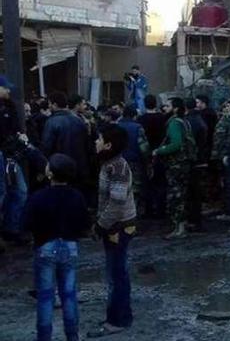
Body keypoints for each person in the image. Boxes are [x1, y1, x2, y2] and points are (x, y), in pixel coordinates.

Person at [22, 154, 90, 341]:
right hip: (70, 246)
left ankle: (44, 337)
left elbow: (26, 223)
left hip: (44, 246)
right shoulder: (77, 196)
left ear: (50, 174)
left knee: (45, 297)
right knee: (69, 295)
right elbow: (84, 223)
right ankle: (72, 336)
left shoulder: (38, 197)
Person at [91, 124, 136, 337]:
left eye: (99, 139)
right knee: (117, 274)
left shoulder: (117, 167)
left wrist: (101, 225)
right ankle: (119, 316)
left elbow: (116, 203)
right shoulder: (109, 163)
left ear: (108, 144)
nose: (95, 142)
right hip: (115, 225)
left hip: (118, 227)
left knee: (117, 275)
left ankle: (118, 320)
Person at [154, 98, 195, 238]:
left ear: (175, 108)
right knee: (181, 196)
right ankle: (180, 227)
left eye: (167, 106)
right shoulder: (184, 121)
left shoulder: (174, 124)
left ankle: (179, 228)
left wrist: (159, 151)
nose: (164, 108)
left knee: (175, 197)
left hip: (176, 165)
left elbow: (176, 144)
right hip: (184, 163)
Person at [41, 92, 90, 192]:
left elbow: (47, 147)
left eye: (50, 104)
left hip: (59, 168)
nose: (49, 106)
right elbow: (87, 145)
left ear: (55, 105)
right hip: (79, 167)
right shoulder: (79, 121)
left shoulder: (51, 122)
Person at [0, 76, 29, 246]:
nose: (9, 91)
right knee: (6, 192)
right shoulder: (8, 107)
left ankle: (11, 228)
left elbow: (16, 127)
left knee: (18, 191)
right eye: (5, 88)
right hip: (6, 154)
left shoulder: (9, 106)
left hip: (10, 155)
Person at [137, 95, 167, 218]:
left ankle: (148, 210)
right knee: (160, 182)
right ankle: (161, 210)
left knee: (147, 182)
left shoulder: (142, 119)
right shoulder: (163, 118)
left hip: (146, 153)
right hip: (160, 152)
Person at [117, 106, 149, 217]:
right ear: (135, 115)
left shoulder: (115, 127)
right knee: (134, 190)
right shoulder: (137, 127)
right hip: (134, 162)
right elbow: (143, 147)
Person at [184, 99, 208, 232]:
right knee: (197, 191)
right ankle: (196, 218)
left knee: (190, 191)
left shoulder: (187, 121)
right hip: (200, 158)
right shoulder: (200, 119)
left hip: (191, 160)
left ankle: (192, 219)